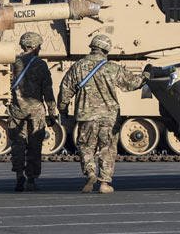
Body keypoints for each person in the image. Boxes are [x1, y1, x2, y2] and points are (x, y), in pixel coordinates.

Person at [58, 34, 147, 194]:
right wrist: (146, 76)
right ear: (106, 49)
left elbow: (65, 89)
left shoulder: (78, 66)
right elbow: (132, 84)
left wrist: (63, 110)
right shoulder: (112, 67)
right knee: (107, 148)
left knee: (86, 146)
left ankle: (90, 174)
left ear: (92, 47)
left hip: (86, 116)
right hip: (109, 117)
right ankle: (104, 183)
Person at [8, 32, 58, 192]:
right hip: (36, 111)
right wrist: (52, 113)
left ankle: (18, 177)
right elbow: (47, 91)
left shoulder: (13, 63)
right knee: (35, 145)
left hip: (17, 109)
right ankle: (31, 180)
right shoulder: (41, 65)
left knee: (18, 144)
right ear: (36, 47)